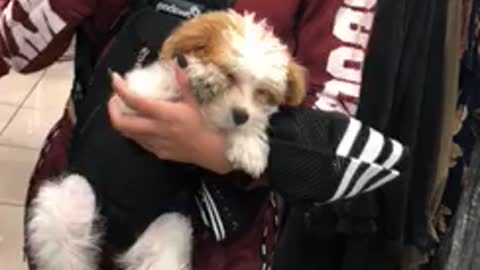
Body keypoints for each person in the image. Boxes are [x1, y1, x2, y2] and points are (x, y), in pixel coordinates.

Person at [0, 0, 396, 269]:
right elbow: (11, 49)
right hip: (74, 198)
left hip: (220, 233)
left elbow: (335, 127)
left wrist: (222, 147)